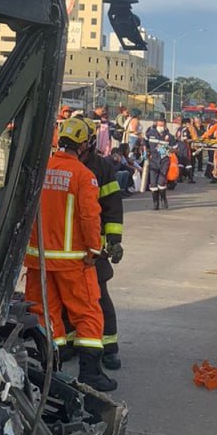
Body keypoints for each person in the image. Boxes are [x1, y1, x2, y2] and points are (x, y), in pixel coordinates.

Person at [23, 116, 117, 391]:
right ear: (84, 145)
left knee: (46, 314)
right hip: (74, 261)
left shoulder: (40, 170)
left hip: (38, 259)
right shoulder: (83, 176)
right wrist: (93, 250)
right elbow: (90, 218)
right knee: (88, 314)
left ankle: (52, 370)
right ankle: (91, 373)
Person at [79, 119, 125, 370]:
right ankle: (74, 344)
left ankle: (109, 348)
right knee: (69, 300)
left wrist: (114, 240)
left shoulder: (102, 168)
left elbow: (112, 207)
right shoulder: (65, 164)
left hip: (93, 247)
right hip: (67, 247)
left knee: (99, 297)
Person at [144, 114, 174, 209]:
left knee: (161, 182)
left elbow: (175, 148)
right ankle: (155, 203)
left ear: (165, 124)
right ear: (156, 122)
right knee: (153, 184)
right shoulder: (150, 133)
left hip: (164, 160)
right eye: (159, 122)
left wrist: (168, 150)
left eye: (162, 122)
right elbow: (145, 143)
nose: (161, 124)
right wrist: (146, 152)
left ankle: (163, 198)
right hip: (153, 160)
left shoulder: (169, 136)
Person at [174, 115, 195, 183]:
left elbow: (176, 137)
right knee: (188, 163)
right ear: (186, 123)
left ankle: (179, 178)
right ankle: (190, 179)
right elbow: (186, 139)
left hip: (179, 146)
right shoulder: (185, 129)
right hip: (184, 147)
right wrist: (192, 140)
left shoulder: (179, 129)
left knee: (180, 163)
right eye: (188, 123)